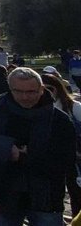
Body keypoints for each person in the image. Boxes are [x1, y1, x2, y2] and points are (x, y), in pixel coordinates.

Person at [0, 68, 75, 225]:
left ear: (41, 89)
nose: (25, 97)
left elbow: (66, 160)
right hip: (4, 193)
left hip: (45, 197)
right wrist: (5, 148)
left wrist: (25, 157)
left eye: (31, 92)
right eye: (18, 91)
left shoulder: (59, 120)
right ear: (10, 89)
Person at [42, 73, 81, 217]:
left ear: (58, 88)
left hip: (74, 158)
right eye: (42, 89)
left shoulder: (73, 106)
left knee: (76, 193)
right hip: (49, 159)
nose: (46, 92)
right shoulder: (36, 108)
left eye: (50, 88)